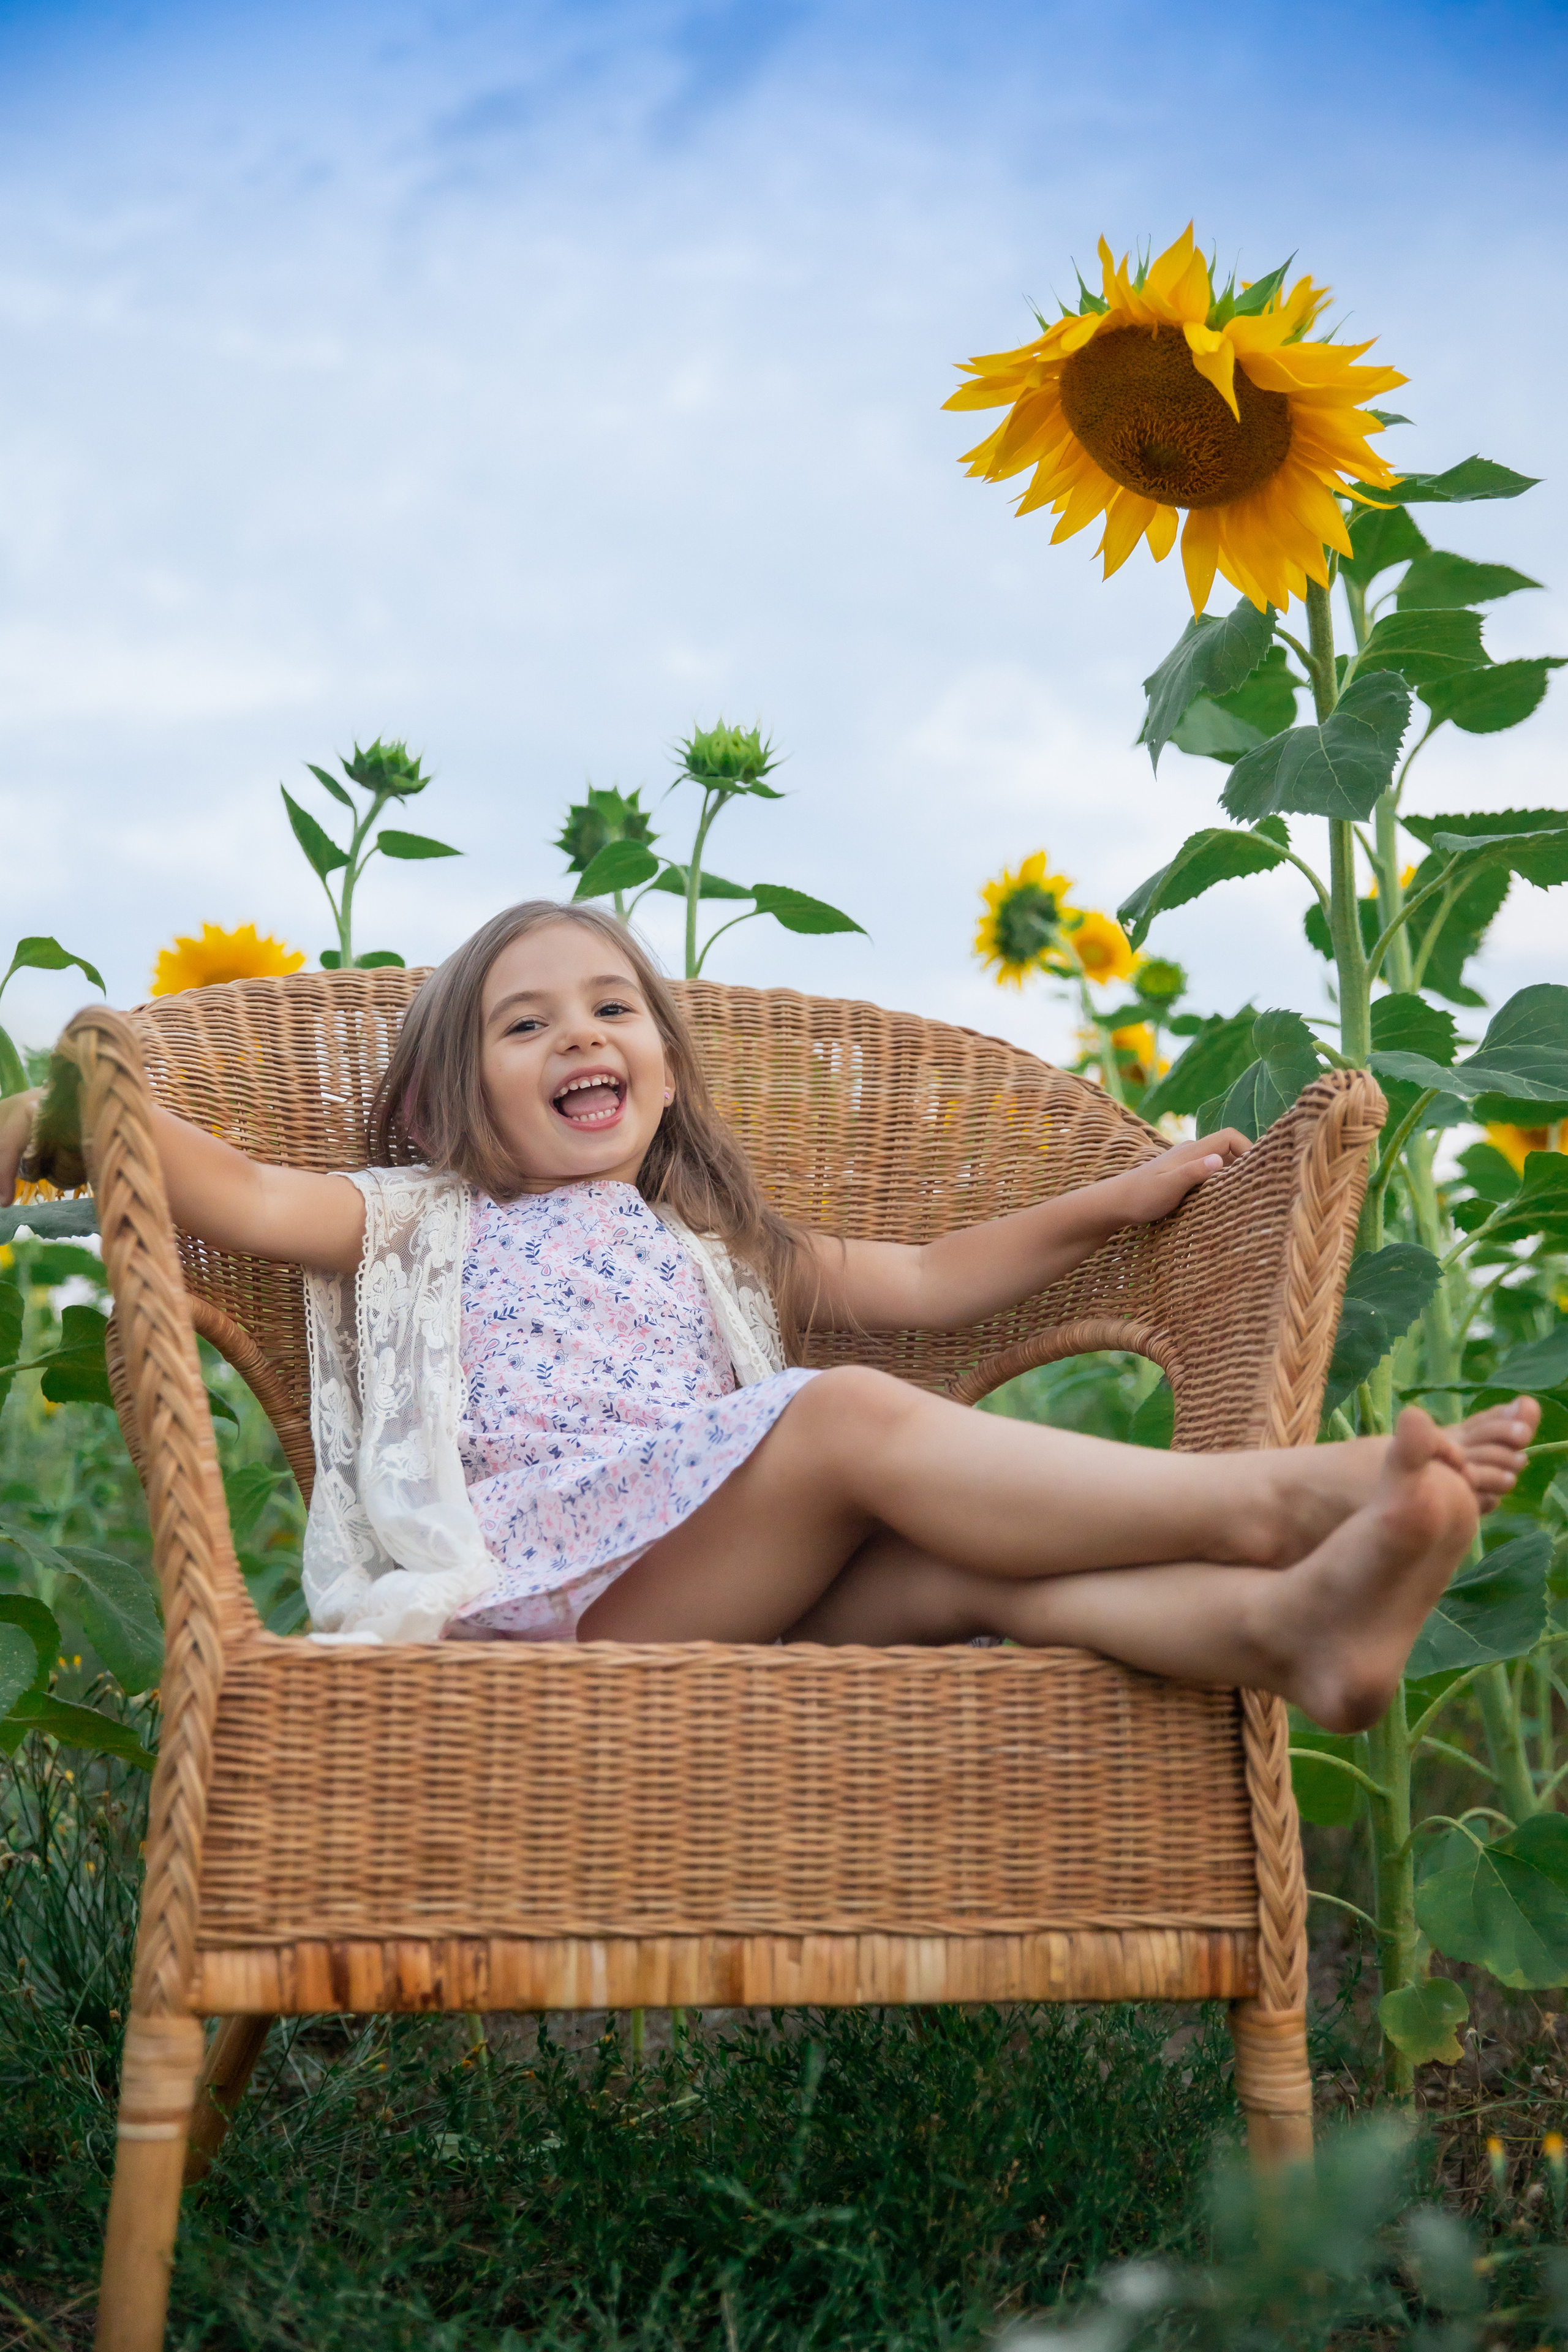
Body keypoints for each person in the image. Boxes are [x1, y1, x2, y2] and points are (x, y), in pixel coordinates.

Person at [0, 900, 1539, 1732]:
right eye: (520, 1025)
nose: (578, 1036)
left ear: (664, 1067)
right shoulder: (409, 1221)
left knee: (948, 1569)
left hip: (732, 1586)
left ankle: (1289, 1632)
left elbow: (925, 1279)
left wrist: (1100, 1209)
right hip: (558, 1622)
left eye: (611, 1009)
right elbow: (241, 1192)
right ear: (434, 1101)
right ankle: (1279, 1499)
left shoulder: (711, 1243)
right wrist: (60, 1118)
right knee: (841, 1413)